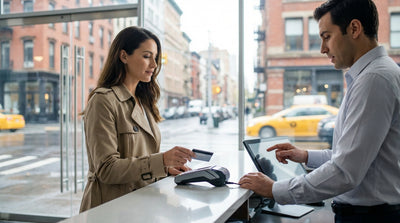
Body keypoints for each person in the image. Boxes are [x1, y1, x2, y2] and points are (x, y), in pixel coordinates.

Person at [239, 0, 400, 222]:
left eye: (326, 37)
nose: (323, 48)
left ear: (354, 29)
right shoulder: (375, 74)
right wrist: (304, 155)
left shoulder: (374, 79)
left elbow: (345, 171)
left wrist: (274, 189)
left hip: (371, 217)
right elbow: (354, 156)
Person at [80, 26, 195, 212]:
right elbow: (107, 169)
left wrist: (165, 169)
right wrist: (162, 160)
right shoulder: (103, 100)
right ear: (124, 56)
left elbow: (142, 159)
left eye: (155, 58)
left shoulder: (144, 102)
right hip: (110, 209)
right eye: (146, 56)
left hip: (141, 204)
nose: (154, 64)